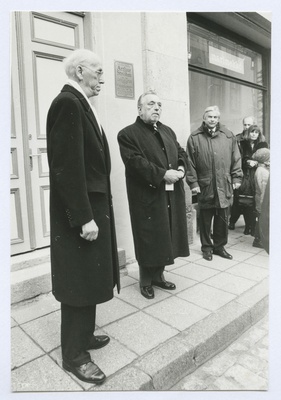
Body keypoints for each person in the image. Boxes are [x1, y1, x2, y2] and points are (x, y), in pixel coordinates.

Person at [46, 49, 120, 384]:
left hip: (91, 209)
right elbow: (67, 169)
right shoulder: (68, 104)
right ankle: (74, 355)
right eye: (99, 71)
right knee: (78, 281)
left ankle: (85, 335)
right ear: (79, 71)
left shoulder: (80, 103)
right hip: (81, 214)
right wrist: (82, 217)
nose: (103, 78)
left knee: (89, 276)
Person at [117, 90, 189, 299]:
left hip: (169, 194)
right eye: (150, 104)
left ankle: (159, 276)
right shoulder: (128, 134)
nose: (156, 107)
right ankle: (146, 281)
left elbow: (180, 152)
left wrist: (182, 169)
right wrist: (163, 174)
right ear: (139, 109)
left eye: (159, 104)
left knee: (165, 236)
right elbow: (135, 162)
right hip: (147, 197)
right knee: (149, 238)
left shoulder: (167, 130)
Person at [186, 105, 242, 261]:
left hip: (224, 184)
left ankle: (219, 247)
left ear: (219, 119)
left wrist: (237, 177)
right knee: (205, 219)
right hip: (205, 185)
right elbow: (189, 162)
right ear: (204, 118)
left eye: (215, 117)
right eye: (210, 116)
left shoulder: (228, 136)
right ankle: (207, 248)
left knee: (223, 219)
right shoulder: (195, 137)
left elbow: (236, 158)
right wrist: (193, 183)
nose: (213, 120)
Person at [235, 125, 268, 235]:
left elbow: (266, 159)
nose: (254, 134)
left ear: (259, 134)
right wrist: (247, 162)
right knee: (246, 202)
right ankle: (248, 226)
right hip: (246, 175)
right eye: (252, 132)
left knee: (256, 201)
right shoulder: (243, 144)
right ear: (248, 133)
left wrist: (257, 163)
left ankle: (254, 228)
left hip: (258, 173)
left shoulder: (263, 144)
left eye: (256, 132)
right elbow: (239, 159)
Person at [229, 116, 255, 229]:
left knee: (251, 200)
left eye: (249, 125)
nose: (247, 127)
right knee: (238, 199)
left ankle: (249, 225)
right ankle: (232, 221)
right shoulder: (238, 139)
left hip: (253, 173)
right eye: (245, 124)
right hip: (241, 172)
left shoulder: (257, 138)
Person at [251, 147, 270, 248]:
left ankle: (258, 239)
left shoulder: (262, 169)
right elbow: (263, 190)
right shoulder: (262, 172)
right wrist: (264, 205)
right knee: (262, 220)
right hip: (262, 201)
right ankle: (258, 240)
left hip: (261, 200)